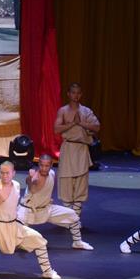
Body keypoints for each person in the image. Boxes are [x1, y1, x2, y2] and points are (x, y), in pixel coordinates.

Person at [18, 154, 93, 250]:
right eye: (41, 165)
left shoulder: (52, 174)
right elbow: (31, 187)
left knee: (72, 215)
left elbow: (48, 189)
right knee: (15, 238)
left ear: (51, 165)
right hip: (27, 212)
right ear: (38, 164)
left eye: (47, 166)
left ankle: (77, 242)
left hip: (46, 209)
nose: (44, 168)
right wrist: (30, 177)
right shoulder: (35, 177)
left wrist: (47, 200)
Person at [53, 83, 100, 218]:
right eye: (73, 93)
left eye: (78, 93)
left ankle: (76, 218)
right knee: (66, 182)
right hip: (68, 148)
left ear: (81, 94)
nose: (76, 95)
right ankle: (68, 218)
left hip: (81, 149)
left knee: (80, 182)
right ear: (68, 94)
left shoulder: (86, 111)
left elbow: (97, 127)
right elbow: (56, 129)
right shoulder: (63, 111)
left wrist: (81, 123)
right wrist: (72, 123)